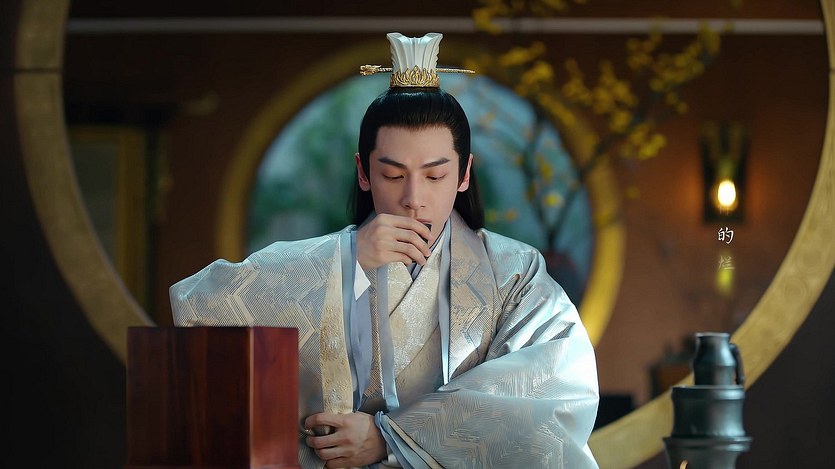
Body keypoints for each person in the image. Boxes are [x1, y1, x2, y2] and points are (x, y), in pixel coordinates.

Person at [170, 32, 599, 469]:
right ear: (363, 172)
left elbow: (552, 386)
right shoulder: (330, 260)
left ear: (464, 174)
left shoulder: (514, 273)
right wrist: (345, 262)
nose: (413, 198)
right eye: (393, 175)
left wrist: (390, 437)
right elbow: (199, 306)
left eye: (434, 176)